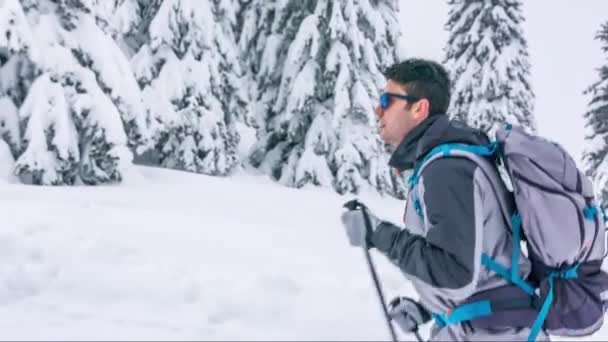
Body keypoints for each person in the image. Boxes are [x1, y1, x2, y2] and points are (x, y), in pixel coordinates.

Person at [340, 58, 548, 341]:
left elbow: (456, 272)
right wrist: (427, 309)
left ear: (419, 108)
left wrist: (378, 234)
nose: (378, 110)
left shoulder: (446, 169)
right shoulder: (451, 162)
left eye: (388, 100)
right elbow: (481, 264)